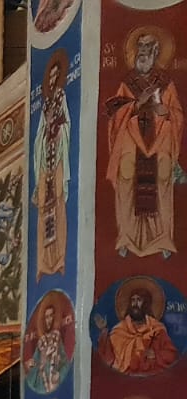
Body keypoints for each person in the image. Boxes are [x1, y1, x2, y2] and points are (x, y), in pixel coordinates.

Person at [104, 30, 182, 260]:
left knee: (161, 185)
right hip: (131, 144)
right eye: (140, 48)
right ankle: (126, 238)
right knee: (127, 183)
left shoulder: (166, 84)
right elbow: (115, 117)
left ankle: (162, 240)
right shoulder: (127, 84)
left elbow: (177, 116)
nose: (143, 53)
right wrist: (137, 104)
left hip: (159, 144)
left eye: (148, 48)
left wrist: (161, 109)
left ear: (156, 52)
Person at [33, 53, 70, 279]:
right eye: (51, 76)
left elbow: (66, 124)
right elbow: (38, 136)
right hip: (45, 164)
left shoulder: (61, 98)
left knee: (58, 206)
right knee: (43, 212)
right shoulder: (46, 104)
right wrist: (46, 128)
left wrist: (55, 129)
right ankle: (43, 263)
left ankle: (59, 260)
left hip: (57, 161)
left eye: (57, 75)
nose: (54, 79)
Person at [97, 283, 180, 375]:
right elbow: (108, 357)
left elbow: (172, 355)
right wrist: (103, 330)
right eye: (133, 300)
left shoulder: (157, 329)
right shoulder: (119, 331)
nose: (135, 304)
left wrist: (156, 354)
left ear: (146, 303)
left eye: (139, 300)